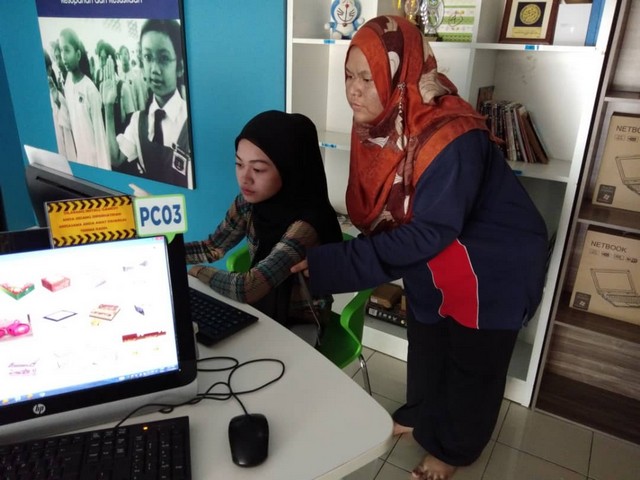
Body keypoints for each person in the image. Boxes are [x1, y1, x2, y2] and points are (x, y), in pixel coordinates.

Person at [291, 16, 549, 480]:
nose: (353, 90)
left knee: (472, 364)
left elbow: (429, 232)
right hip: (435, 259)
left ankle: (450, 451)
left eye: (367, 78)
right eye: (348, 75)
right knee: (427, 341)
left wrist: (333, 263)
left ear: (399, 74)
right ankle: (422, 414)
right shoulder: (385, 124)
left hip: (490, 263)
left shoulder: (450, 137)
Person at [185, 110, 344, 345]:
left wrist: (197, 272)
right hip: (259, 307)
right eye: (239, 164)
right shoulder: (250, 202)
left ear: (289, 168)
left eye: (258, 169)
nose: (245, 178)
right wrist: (162, 249)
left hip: (298, 322)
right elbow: (212, 247)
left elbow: (249, 288)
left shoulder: (307, 225)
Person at [102, 19, 192, 188]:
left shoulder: (190, 121)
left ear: (180, 67)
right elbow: (116, 158)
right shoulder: (138, 121)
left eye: (164, 58)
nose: (154, 69)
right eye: (148, 57)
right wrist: (108, 107)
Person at [58, 28, 110, 170]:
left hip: (95, 164)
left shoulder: (90, 89)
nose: (63, 56)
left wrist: (104, 173)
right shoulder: (68, 83)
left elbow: (100, 137)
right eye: (61, 50)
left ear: (78, 54)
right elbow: (68, 123)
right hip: (79, 160)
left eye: (67, 50)